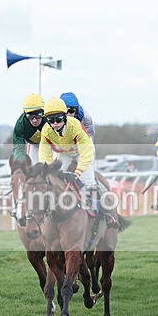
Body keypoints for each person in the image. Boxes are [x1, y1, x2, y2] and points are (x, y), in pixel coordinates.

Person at [39, 97, 116, 227]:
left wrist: (77, 173)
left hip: (82, 152)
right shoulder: (46, 131)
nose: (55, 123)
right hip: (65, 153)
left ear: (65, 117)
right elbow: (45, 156)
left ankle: (105, 214)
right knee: (56, 179)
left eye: (58, 119)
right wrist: (48, 171)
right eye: (51, 120)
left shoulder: (75, 126)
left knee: (89, 181)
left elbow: (86, 154)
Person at [12, 93, 47, 164]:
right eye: (30, 116)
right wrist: (21, 163)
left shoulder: (50, 120)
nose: (34, 120)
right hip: (34, 145)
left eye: (38, 115)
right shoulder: (20, 124)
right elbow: (19, 148)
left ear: (44, 112)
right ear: (25, 114)